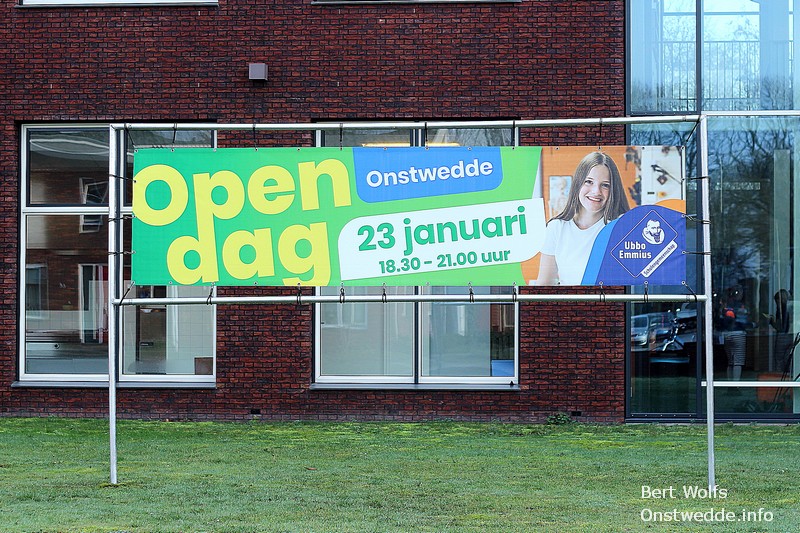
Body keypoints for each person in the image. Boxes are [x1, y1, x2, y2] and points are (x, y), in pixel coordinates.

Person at [535, 151, 630, 285]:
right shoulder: (556, 228)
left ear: (613, 190)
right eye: (589, 182)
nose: (596, 191)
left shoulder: (621, 228)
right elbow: (544, 284)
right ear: (578, 183)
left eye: (605, 185)